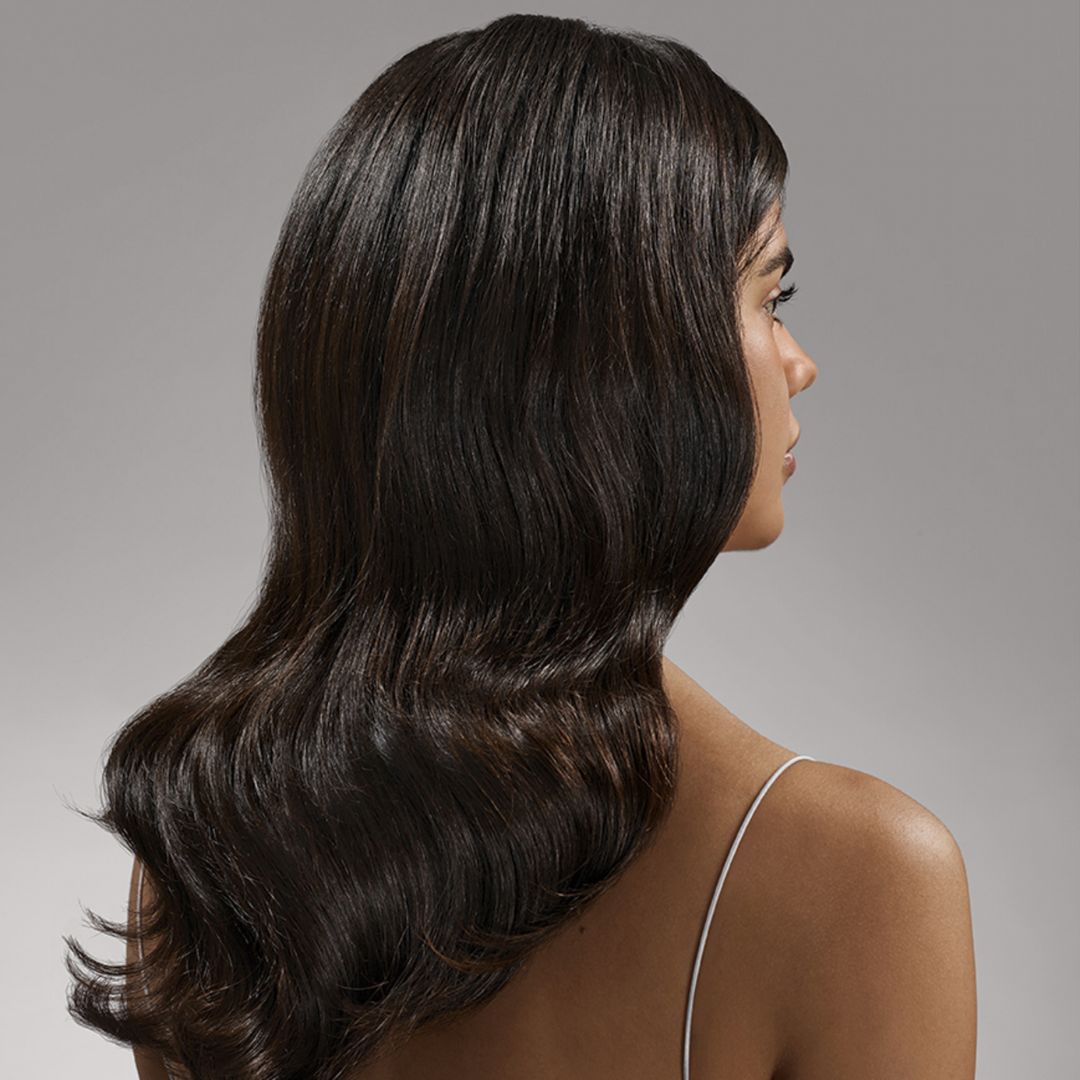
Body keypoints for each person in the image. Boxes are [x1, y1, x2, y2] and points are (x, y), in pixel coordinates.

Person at [66, 13, 977, 1079]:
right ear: (612, 365)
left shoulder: (208, 851)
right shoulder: (859, 879)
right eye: (767, 297)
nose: (798, 361)